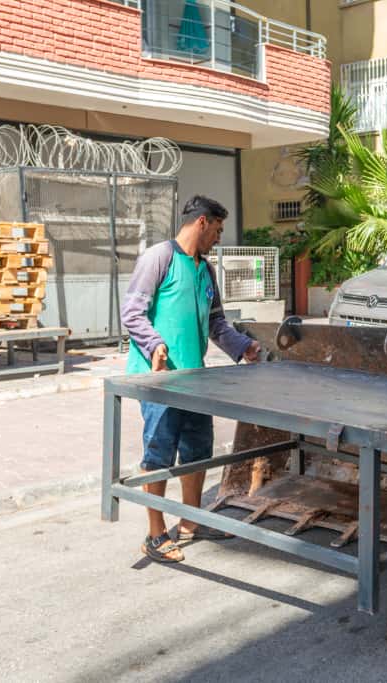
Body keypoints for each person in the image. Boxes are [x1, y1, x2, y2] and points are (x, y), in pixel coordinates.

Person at [121, 195, 261, 564]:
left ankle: (190, 523)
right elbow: (132, 312)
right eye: (217, 230)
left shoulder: (205, 270)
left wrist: (244, 347)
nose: (218, 238)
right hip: (160, 380)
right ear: (201, 223)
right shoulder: (158, 258)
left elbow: (216, 323)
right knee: (160, 454)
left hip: (195, 379)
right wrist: (156, 344)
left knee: (198, 451)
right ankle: (155, 534)